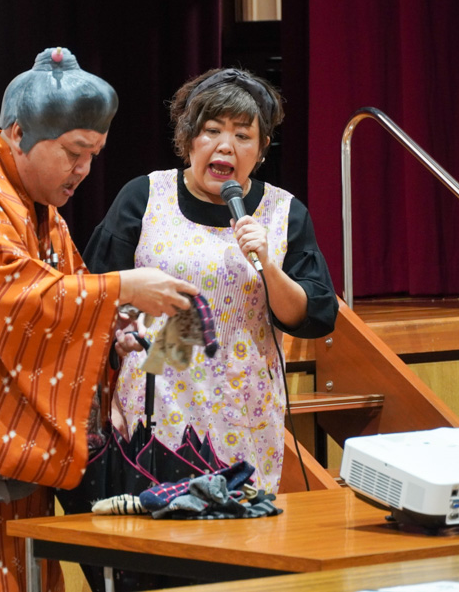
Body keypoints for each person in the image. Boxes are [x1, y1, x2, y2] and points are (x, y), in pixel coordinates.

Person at [0, 47, 197, 592]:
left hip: (9, 443)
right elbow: (15, 296)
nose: (84, 170)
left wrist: (119, 335)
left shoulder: (39, 211)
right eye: (74, 151)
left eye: (94, 154)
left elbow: (74, 303)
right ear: (17, 133)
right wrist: (123, 286)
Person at [84, 67, 339, 494]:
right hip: (154, 404)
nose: (226, 145)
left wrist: (269, 266)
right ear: (189, 140)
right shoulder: (144, 197)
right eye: (212, 130)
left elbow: (313, 316)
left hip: (245, 410)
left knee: (244, 541)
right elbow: (92, 292)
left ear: (260, 150)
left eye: (243, 135)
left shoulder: (283, 212)